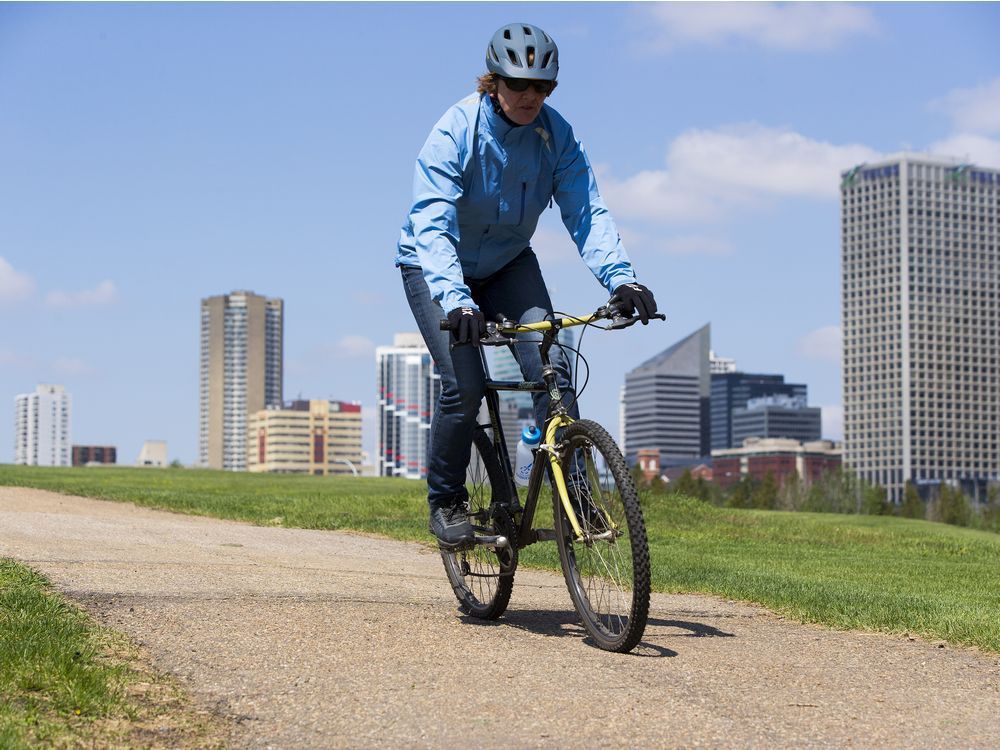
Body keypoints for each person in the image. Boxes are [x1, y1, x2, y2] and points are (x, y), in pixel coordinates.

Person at [396, 22, 657, 549]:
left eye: (541, 88)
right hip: (433, 267)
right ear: (493, 82)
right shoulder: (455, 131)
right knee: (464, 386)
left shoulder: (556, 136)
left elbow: (587, 212)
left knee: (554, 367)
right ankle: (445, 498)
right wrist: (456, 298)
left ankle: (576, 493)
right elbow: (432, 222)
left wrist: (623, 277)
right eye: (519, 85)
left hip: (509, 263)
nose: (530, 97)